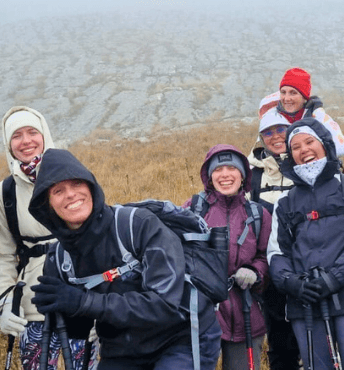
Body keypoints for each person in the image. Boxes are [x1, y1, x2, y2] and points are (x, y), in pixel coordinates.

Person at [27, 148, 222, 370]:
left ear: (91, 187)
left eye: (77, 183)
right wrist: (60, 311)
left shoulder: (138, 225)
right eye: (58, 191)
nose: (70, 194)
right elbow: (79, 329)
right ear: (47, 205)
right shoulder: (59, 258)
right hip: (122, 348)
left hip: (182, 337)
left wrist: (83, 302)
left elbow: (165, 305)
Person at [267, 118, 344, 370]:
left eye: (309, 142)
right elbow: (277, 253)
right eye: (296, 147)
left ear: (325, 144)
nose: (304, 150)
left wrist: (333, 279)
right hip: (305, 302)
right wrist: (292, 283)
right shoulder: (284, 202)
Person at [0, 106, 90, 370]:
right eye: (16, 135)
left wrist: (102, 304)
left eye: (32, 132)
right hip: (33, 309)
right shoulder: (3, 194)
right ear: (8, 144)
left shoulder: (74, 178)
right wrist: (5, 303)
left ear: (44, 134)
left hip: (81, 301)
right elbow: (1, 256)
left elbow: (100, 239)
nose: (26, 141)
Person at [184, 144, 272, 370]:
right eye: (218, 169)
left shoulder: (258, 214)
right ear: (209, 176)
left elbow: (266, 255)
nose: (225, 175)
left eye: (232, 168)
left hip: (246, 313)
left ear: (243, 175)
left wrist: (254, 272)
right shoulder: (193, 209)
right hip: (200, 315)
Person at [247, 109, 300, 370]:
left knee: (317, 336)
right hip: (271, 271)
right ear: (261, 138)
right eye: (268, 132)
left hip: (310, 265)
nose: (276, 136)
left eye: (281, 129)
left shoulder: (306, 163)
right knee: (279, 339)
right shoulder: (252, 175)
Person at [258, 67, 344, 158]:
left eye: (293, 93)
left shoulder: (317, 117)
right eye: (283, 92)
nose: (286, 98)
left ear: (304, 97)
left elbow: (342, 148)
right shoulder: (271, 115)